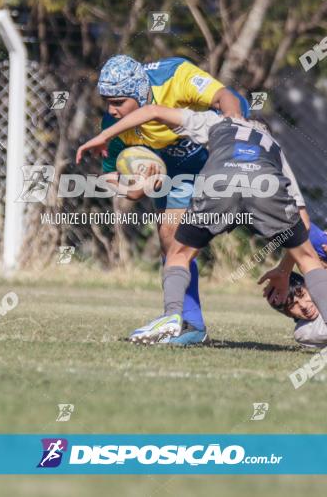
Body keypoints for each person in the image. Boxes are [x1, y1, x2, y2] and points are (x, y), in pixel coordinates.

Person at [78, 105, 327, 357]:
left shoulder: (217, 122)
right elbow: (303, 223)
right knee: (308, 259)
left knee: (178, 253)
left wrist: (105, 135)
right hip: (264, 181)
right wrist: (286, 264)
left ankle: (171, 316)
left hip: (221, 181)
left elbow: (153, 112)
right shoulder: (274, 147)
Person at [95, 55, 248, 345]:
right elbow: (108, 176)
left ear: (139, 93)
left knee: (278, 224)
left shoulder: (174, 75)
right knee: (170, 236)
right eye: (107, 102)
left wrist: (235, 128)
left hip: (223, 147)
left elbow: (224, 96)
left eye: (118, 102)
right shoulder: (115, 125)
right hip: (179, 168)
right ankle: (188, 323)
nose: (111, 110)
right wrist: (137, 188)